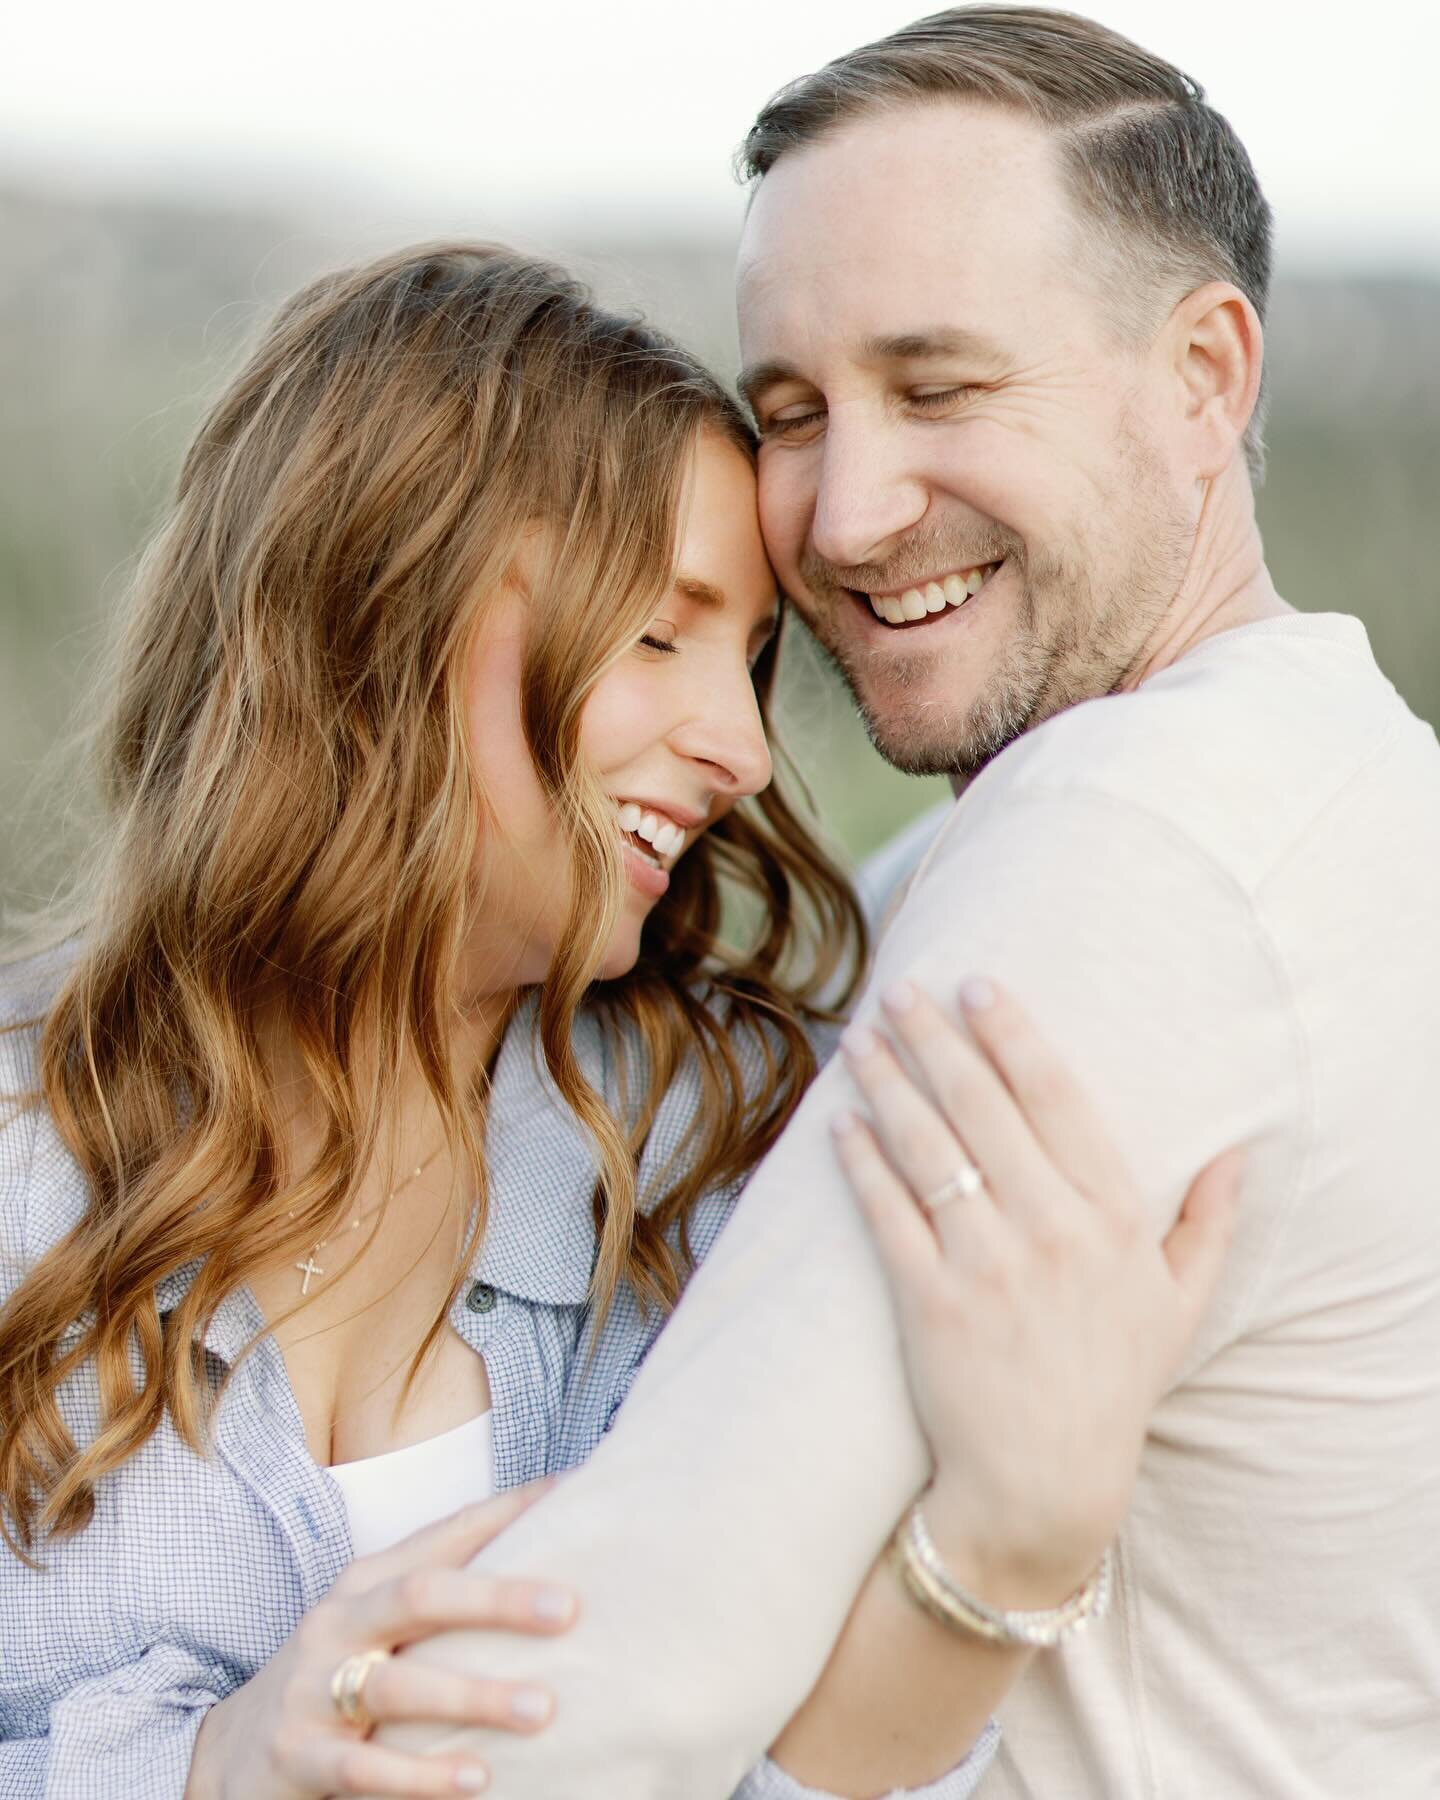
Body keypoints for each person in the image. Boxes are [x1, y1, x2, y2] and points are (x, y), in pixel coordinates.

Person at [0, 243, 1231, 1799]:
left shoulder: (742, 1154)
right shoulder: (21, 1166)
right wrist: (199, 1768)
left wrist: (1010, 1537)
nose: (737, 751)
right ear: (374, 607)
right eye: (659, 634)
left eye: (754, 662)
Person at [380, 9, 1440, 1798]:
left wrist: (217, 1748)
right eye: (790, 411)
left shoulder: (1138, 837)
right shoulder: (1338, 787)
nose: (853, 512)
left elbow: (591, 1697)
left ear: (1205, 375)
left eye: (940, 386)